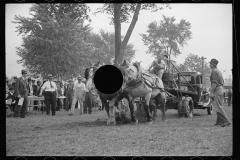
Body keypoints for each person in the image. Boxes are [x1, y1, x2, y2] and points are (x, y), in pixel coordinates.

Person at [209, 59, 231, 127]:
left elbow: (214, 83)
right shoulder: (218, 71)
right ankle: (219, 122)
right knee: (218, 106)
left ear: (213, 64)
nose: (209, 65)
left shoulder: (214, 71)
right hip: (221, 89)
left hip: (217, 89)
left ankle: (226, 121)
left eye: (210, 63)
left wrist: (211, 92)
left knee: (218, 107)